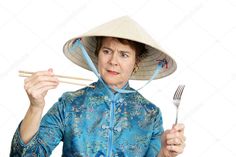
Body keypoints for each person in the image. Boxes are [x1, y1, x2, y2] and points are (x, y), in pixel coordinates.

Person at [10, 16, 186, 157]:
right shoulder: (70, 104)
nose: (113, 62)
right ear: (97, 54)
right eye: (107, 51)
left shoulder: (151, 114)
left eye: (124, 55)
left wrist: (164, 154)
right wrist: (35, 107)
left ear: (136, 63)